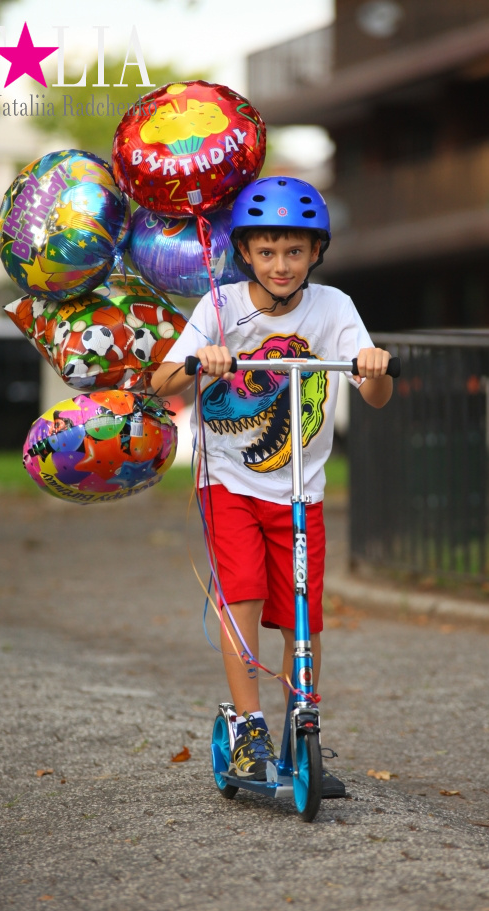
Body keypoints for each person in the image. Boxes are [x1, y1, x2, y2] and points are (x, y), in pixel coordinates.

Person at [151, 176, 393, 798]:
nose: (280, 265)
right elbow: (161, 383)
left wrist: (373, 366)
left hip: (299, 490)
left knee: (301, 618)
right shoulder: (221, 307)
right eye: (266, 252)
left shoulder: (335, 308)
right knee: (245, 599)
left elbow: (375, 395)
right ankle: (248, 728)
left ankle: (299, 728)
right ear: (245, 254)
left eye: (294, 251)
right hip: (229, 482)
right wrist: (201, 358)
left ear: (316, 253)